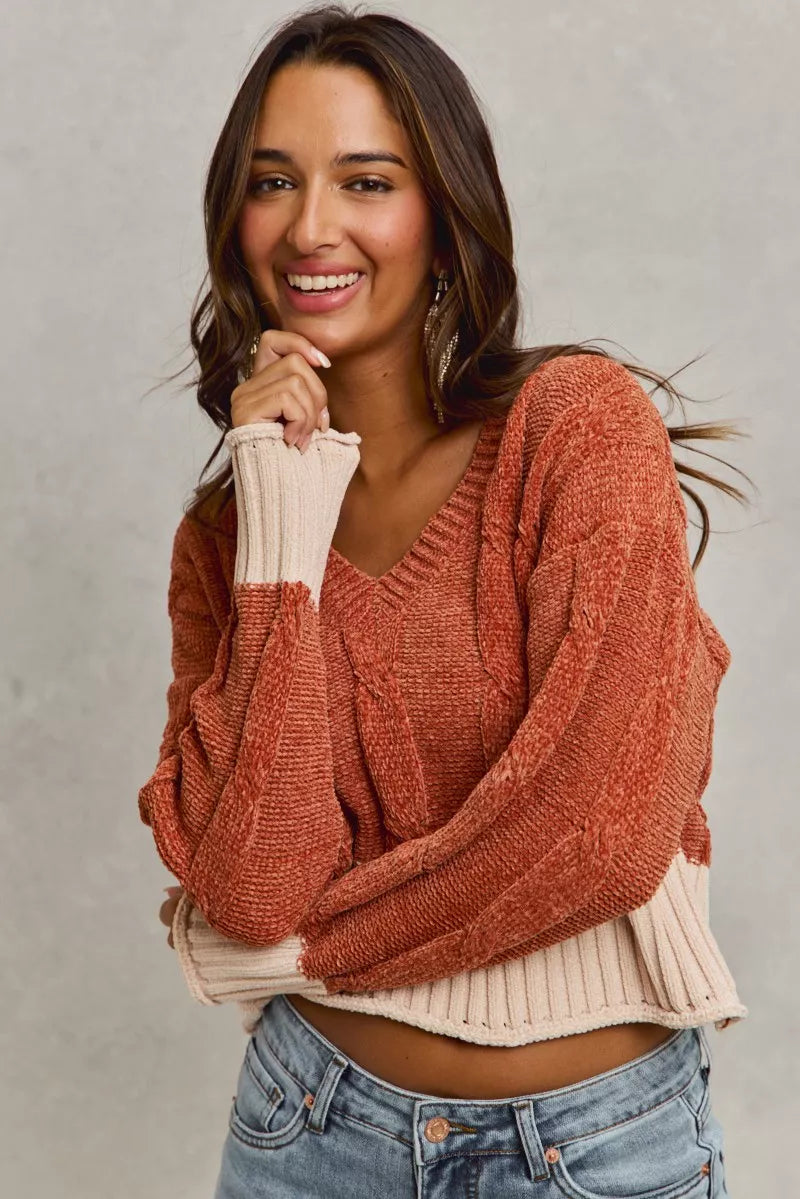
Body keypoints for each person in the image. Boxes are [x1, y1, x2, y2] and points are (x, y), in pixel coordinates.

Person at [141, 5, 751, 1195]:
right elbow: (255, 877)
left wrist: (301, 950)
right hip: (307, 1129)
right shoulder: (229, 537)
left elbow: (595, 835)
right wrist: (279, 503)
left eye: (366, 180)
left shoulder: (571, 431)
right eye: (273, 180)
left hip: (599, 1145)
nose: (311, 226)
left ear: (441, 212)